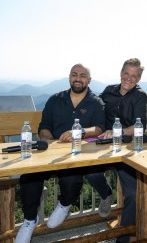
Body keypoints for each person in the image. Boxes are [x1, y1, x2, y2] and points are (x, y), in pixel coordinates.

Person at [16, 64, 106, 243]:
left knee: (72, 178)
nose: (78, 78)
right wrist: (49, 142)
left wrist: (79, 132)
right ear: (69, 77)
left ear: (89, 79)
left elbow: (99, 128)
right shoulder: (55, 99)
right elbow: (44, 126)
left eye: (82, 75)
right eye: (74, 75)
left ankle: (64, 204)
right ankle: (29, 220)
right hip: (50, 153)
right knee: (28, 177)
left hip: (75, 155)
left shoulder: (96, 103)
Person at [85, 58, 147, 243]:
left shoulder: (140, 97)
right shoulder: (108, 91)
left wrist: (117, 132)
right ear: (121, 73)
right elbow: (96, 110)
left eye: (134, 76)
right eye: (126, 73)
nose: (129, 78)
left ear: (138, 79)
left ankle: (123, 238)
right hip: (103, 145)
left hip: (126, 149)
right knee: (90, 172)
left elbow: (140, 125)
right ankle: (106, 193)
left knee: (133, 194)